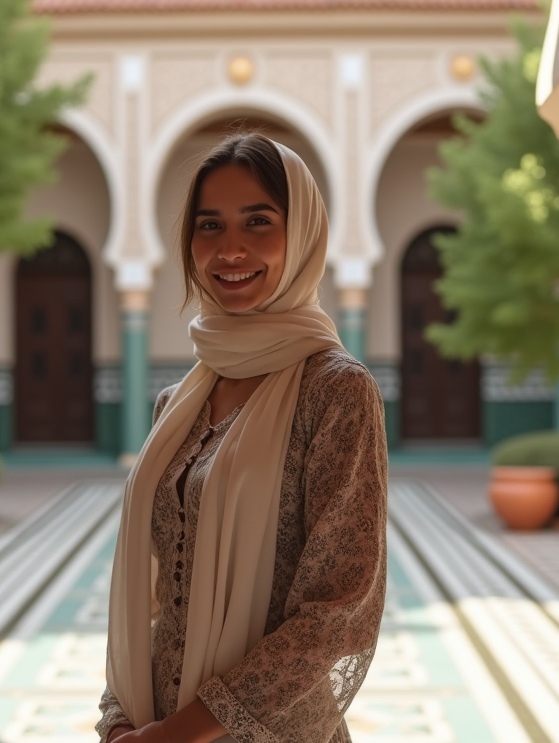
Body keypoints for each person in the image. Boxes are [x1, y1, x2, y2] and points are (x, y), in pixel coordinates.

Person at [96, 132, 388, 743]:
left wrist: (181, 734)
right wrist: (120, 716)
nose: (229, 249)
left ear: (303, 233)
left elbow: (338, 611)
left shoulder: (335, 390)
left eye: (258, 221)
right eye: (209, 226)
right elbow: (158, 598)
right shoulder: (176, 404)